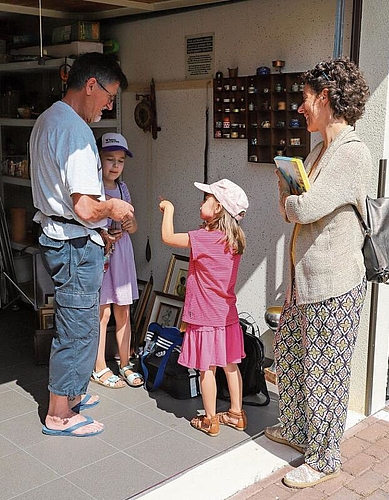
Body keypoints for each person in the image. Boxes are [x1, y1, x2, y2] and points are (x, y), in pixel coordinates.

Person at [265, 57, 373, 487]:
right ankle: (295, 430)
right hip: (302, 282)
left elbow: (302, 207)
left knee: (325, 369)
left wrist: (286, 190)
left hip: (333, 283)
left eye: (305, 99)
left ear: (326, 99)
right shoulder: (318, 150)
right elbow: (296, 211)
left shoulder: (352, 153)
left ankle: (325, 457)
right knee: (293, 361)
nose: (300, 108)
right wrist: (290, 198)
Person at [30, 52, 134, 437]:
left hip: (63, 236)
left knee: (82, 320)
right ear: (91, 85)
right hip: (73, 243)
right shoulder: (75, 131)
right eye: (109, 96)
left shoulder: (47, 119)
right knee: (76, 325)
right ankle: (60, 413)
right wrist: (114, 206)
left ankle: (72, 393)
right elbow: (85, 207)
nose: (109, 105)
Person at [159, 179, 249, 436]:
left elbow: (167, 237)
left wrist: (169, 210)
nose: (202, 202)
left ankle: (210, 420)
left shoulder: (204, 238)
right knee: (231, 365)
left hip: (204, 315)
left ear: (218, 207)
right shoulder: (235, 240)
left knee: (206, 369)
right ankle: (236, 413)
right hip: (227, 315)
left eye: (206, 198)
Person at [91, 133, 144, 389]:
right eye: (109, 159)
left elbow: (132, 224)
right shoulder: (92, 189)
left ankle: (125, 363)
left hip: (121, 253)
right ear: (98, 159)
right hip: (101, 253)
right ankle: (98, 366)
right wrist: (103, 233)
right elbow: (88, 220)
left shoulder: (123, 188)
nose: (114, 165)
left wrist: (131, 225)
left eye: (120, 160)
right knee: (103, 312)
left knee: (123, 309)